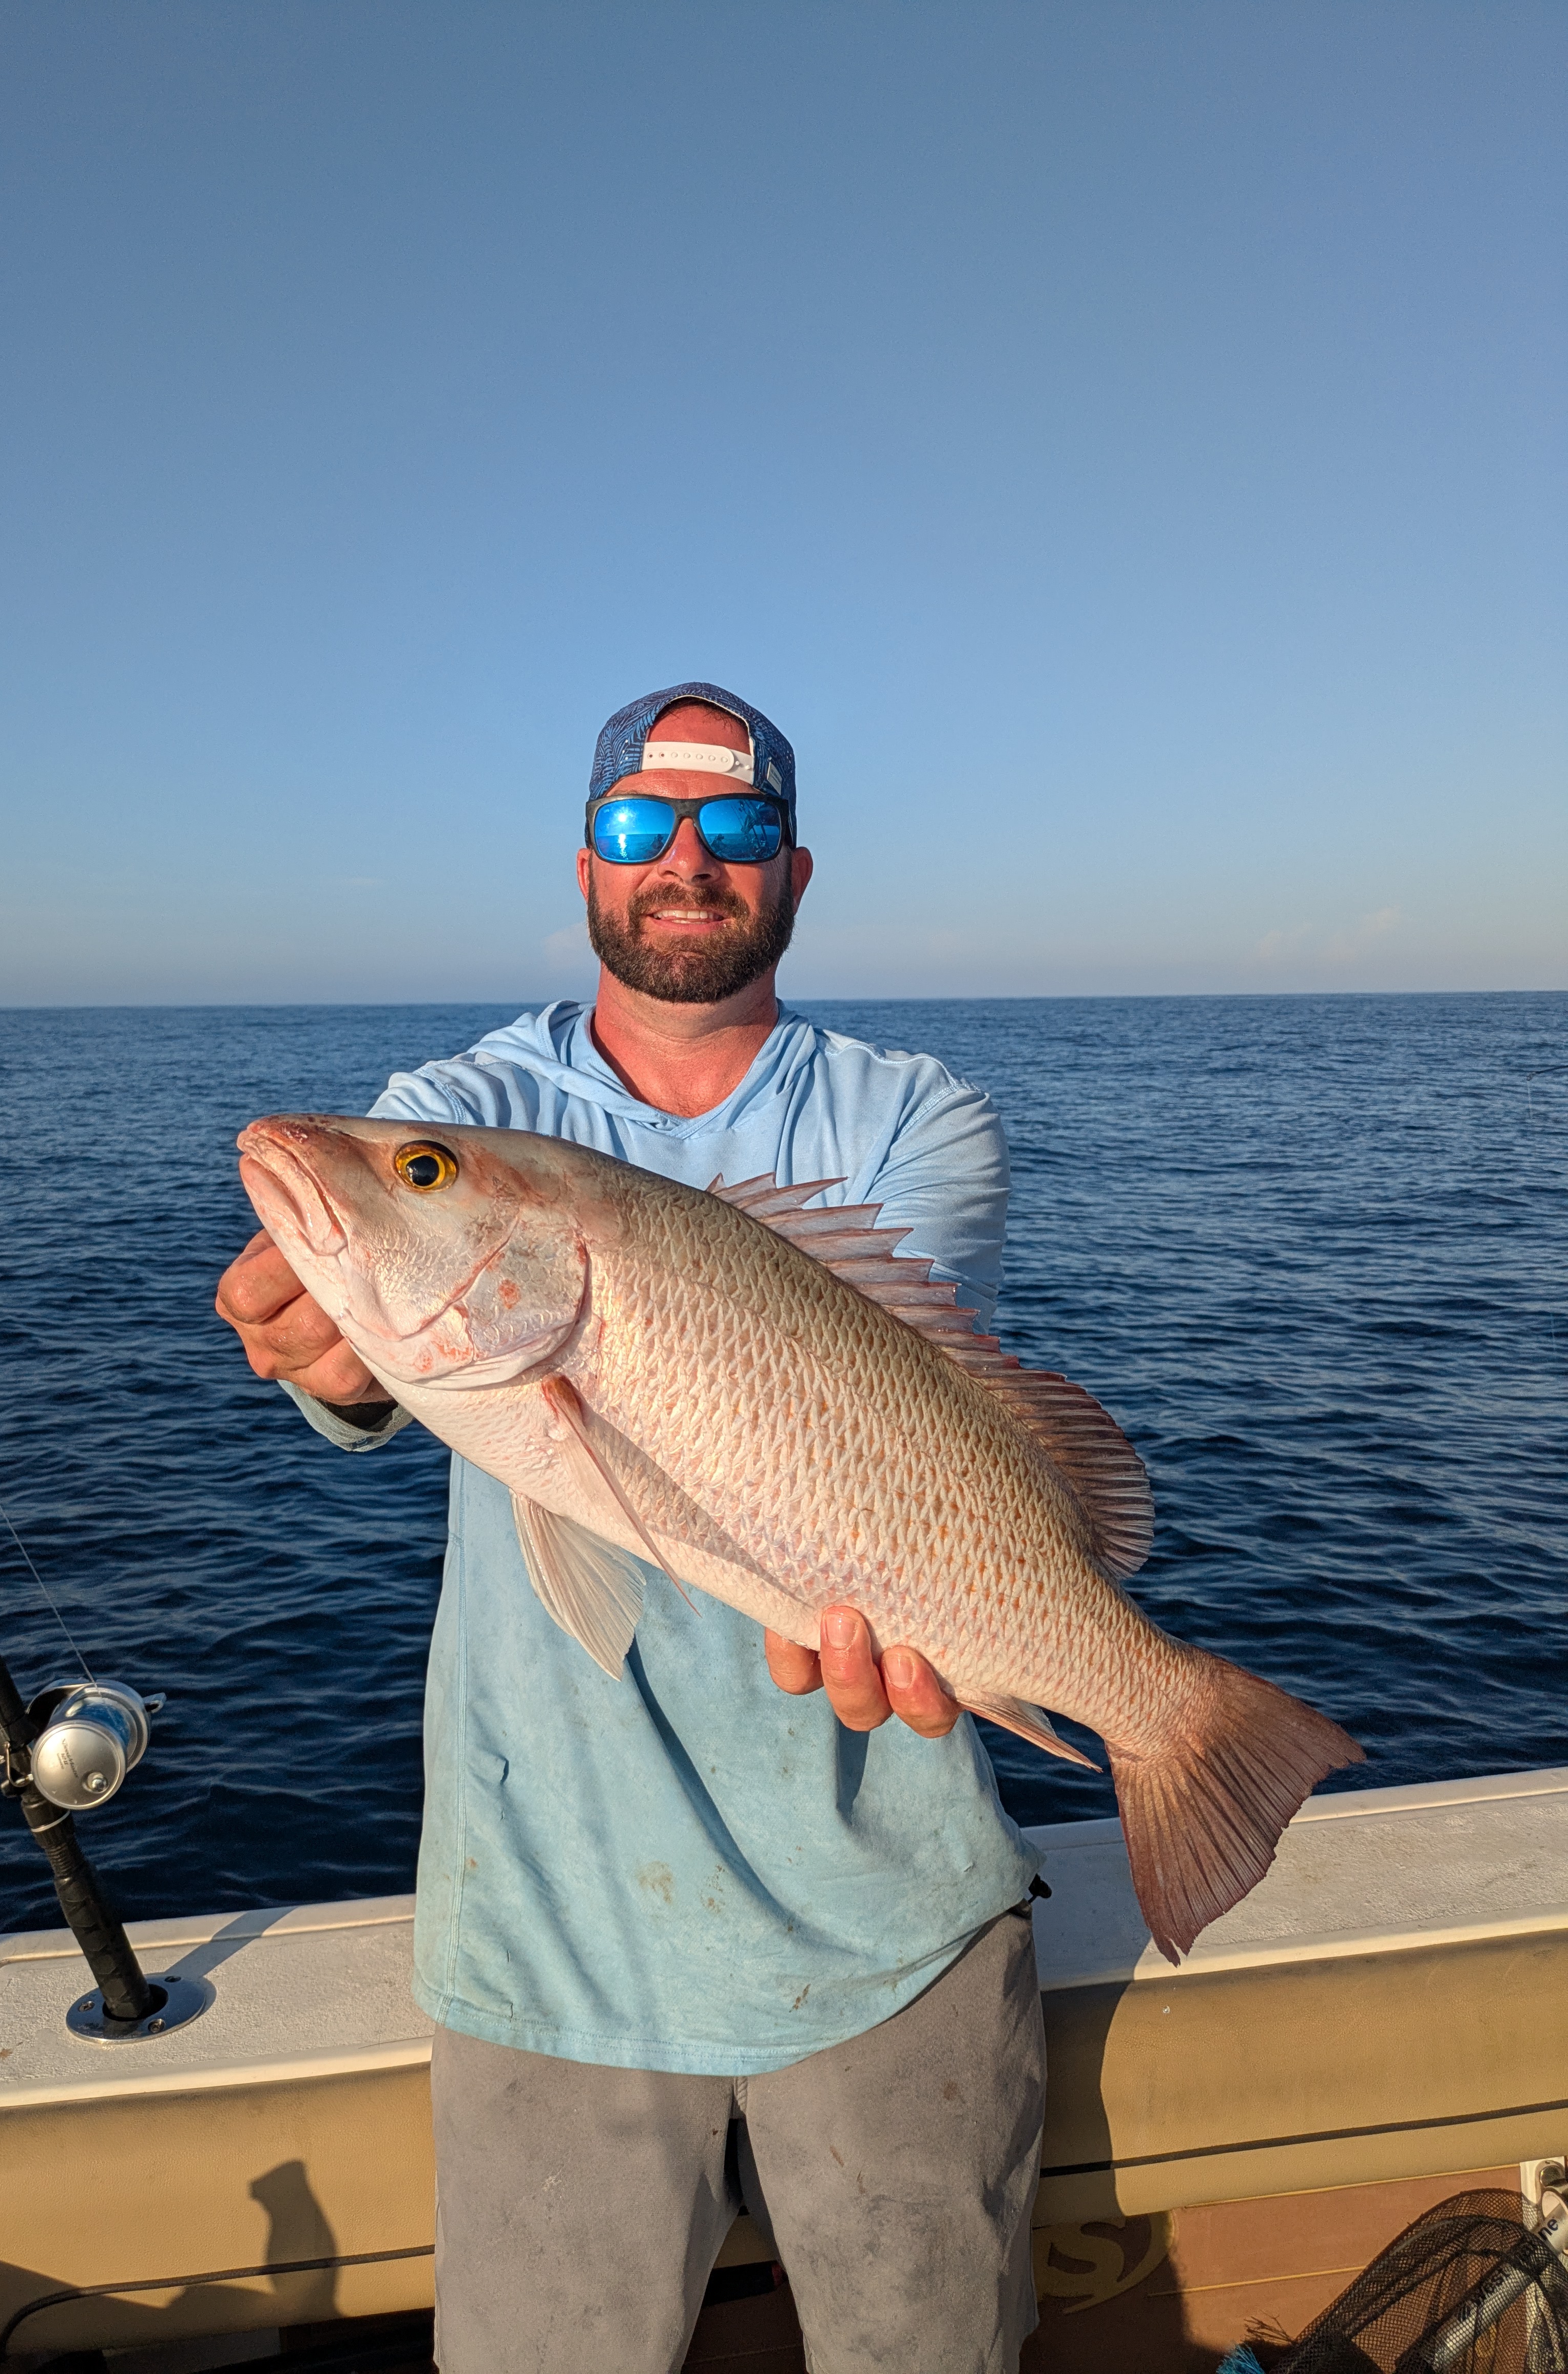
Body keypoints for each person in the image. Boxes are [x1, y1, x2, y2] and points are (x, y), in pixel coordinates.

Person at [217, 683, 1046, 2374]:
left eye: (734, 828)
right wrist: (337, 1353)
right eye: (638, 825)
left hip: (897, 1928)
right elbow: (394, 1358)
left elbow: (879, 1394)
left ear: (794, 871)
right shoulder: (454, 1097)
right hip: (548, 1937)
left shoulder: (914, 1111)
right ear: (584, 860)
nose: (686, 860)